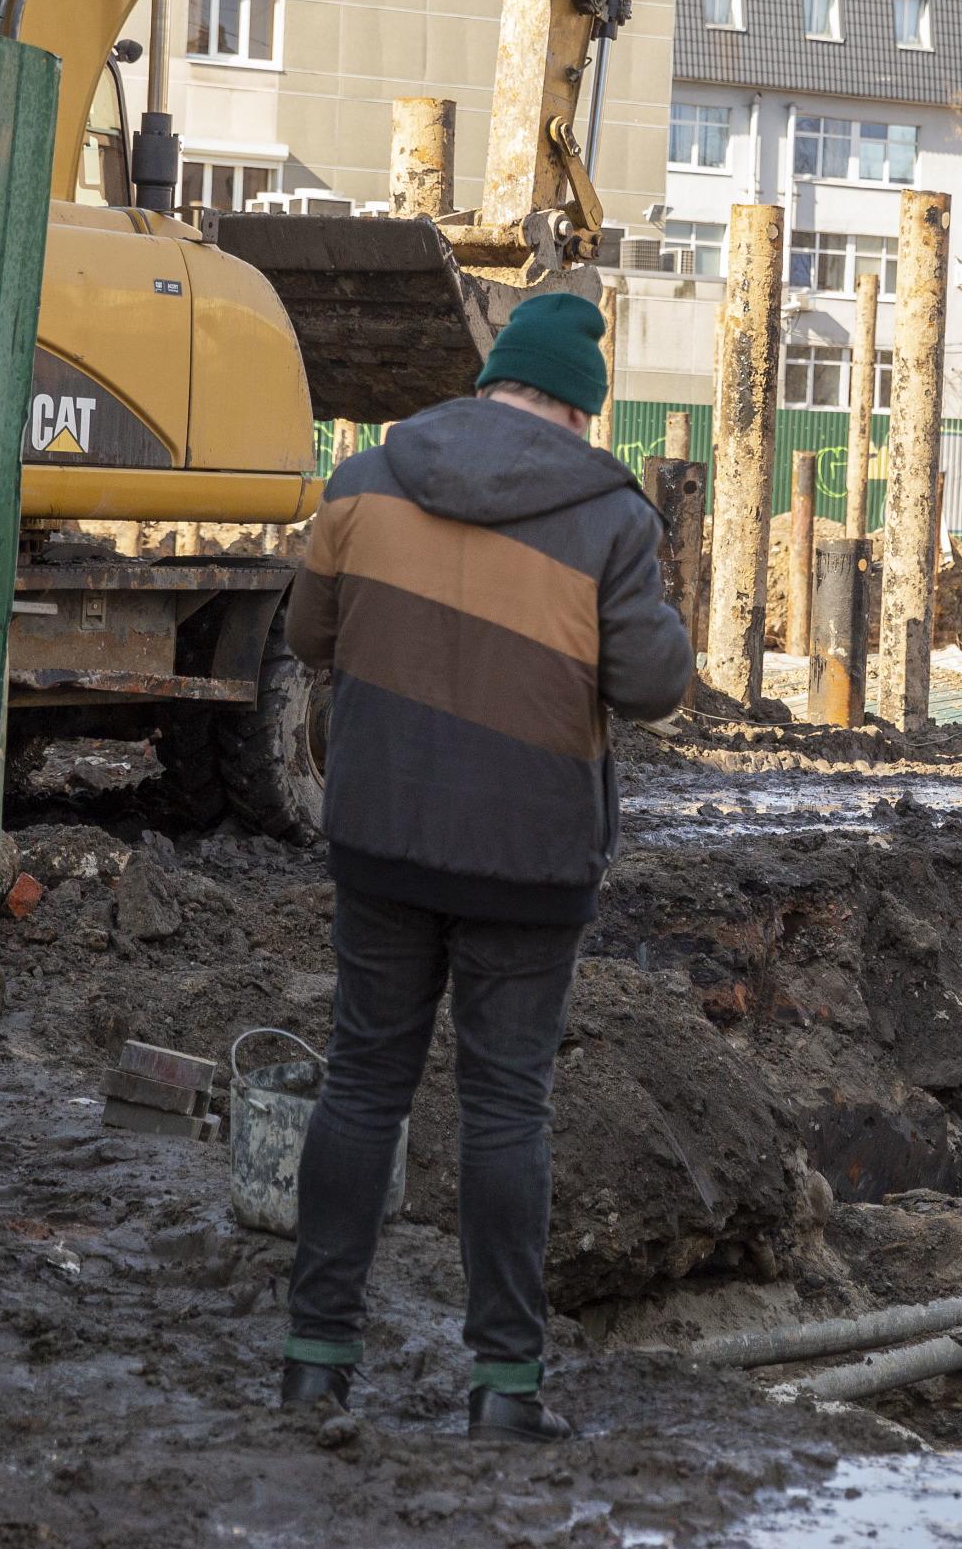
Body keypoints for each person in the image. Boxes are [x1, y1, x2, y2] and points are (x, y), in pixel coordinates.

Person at [273, 290, 693, 1442]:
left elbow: (311, 635)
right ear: (575, 406)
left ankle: (316, 1362)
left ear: (491, 380)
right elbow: (655, 685)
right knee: (506, 1108)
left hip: (381, 833)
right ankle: (505, 1385)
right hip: (529, 853)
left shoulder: (362, 481)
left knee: (362, 1084)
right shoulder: (611, 518)